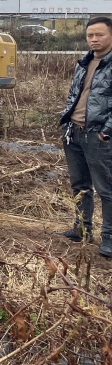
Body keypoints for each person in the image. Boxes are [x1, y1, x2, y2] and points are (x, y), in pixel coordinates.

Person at [57, 16, 112, 257]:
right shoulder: (84, 62)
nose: (94, 39)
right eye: (90, 35)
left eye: (99, 34)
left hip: (98, 135)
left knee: (106, 189)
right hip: (74, 131)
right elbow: (74, 94)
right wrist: (66, 119)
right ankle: (81, 228)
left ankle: (109, 236)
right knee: (80, 185)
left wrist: (106, 132)